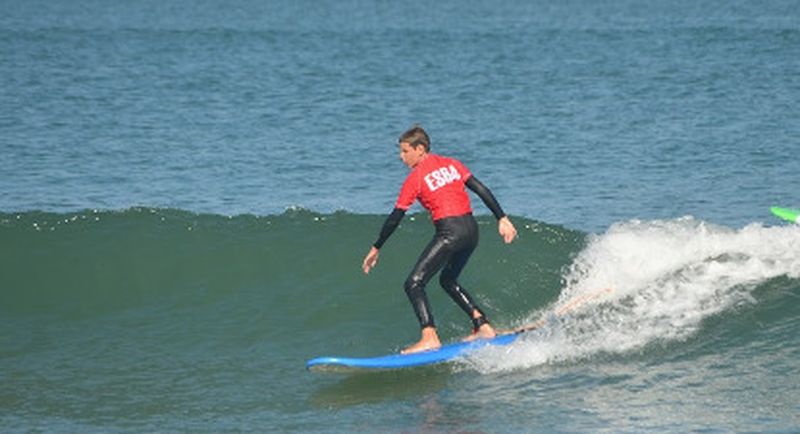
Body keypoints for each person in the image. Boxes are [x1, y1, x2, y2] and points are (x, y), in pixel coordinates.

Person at [362, 125, 518, 354]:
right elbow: (480, 188)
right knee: (448, 280)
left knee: (413, 283)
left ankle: (429, 336)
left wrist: (377, 247)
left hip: (450, 232)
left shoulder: (415, 178)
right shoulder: (452, 164)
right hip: (471, 230)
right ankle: (482, 324)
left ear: (420, 149)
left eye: (405, 151)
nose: (401, 157)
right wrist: (501, 218)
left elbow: (396, 217)